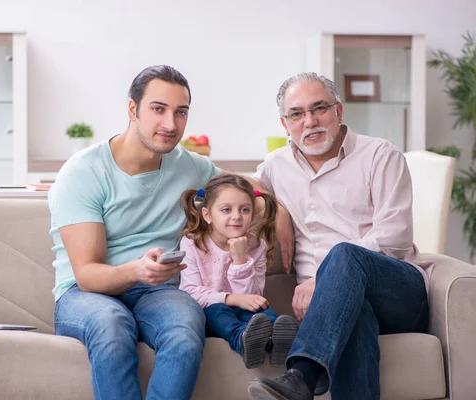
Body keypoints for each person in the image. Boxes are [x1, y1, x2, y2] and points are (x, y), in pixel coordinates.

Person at [247, 72, 430, 400]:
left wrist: (326, 278)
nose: (310, 121)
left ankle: (302, 375)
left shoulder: (380, 155)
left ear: (339, 111)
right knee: (352, 309)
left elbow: (396, 234)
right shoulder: (276, 166)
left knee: (344, 255)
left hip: (399, 292)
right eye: (297, 114)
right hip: (335, 307)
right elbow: (235, 190)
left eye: (320, 109)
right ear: (284, 124)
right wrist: (273, 204)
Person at [48, 65, 221, 400]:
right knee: (112, 325)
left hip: (157, 292)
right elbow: (87, 275)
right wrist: (138, 270)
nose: (171, 125)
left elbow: (245, 190)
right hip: (85, 295)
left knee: (186, 329)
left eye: (180, 112)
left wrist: (276, 209)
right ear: (133, 110)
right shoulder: (83, 172)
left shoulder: (192, 166)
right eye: (158, 109)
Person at [178, 174, 298, 369]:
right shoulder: (192, 243)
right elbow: (190, 292)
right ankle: (243, 338)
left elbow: (252, 296)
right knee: (218, 312)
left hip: (245, 306)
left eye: (245, 210)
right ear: (207, 215)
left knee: (264, 312)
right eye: (226, 210)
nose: (236, 216)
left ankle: (278, 341)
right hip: (211, 309)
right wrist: (230, 299)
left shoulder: (257, 245)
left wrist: (240, 259)